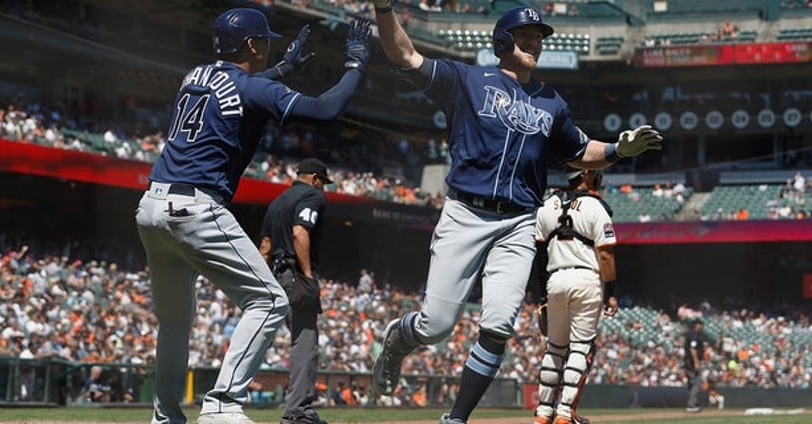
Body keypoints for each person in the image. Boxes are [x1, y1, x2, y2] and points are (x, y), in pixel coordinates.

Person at [368, 3, 663, 423]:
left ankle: (455, 419)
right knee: (436, 325)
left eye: (540, 37)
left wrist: (619, 150)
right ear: (502, 40)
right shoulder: (467, 80)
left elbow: (580, 151)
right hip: (466, 213)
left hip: (519, 221)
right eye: (526, 35)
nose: (535, 43)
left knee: (499, 326)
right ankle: (399, 338)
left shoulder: (551, 102)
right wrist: (383, 8)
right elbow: (405, 55)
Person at [134, 7, 372, 424]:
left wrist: (281, 67)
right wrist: (354, 65)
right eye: (265, 40)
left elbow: (241, 87)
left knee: (173, 322)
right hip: (195, 207)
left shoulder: (195, 76)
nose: (267, 45)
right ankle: (222, 404)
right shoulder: (249, 87)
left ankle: (165, 417)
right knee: (268, 300)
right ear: (250, 44)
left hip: (152, 206)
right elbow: (323, 110)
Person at [532, 168, 618, 424]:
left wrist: (540, 296)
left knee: (555, 349)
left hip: (554, 279)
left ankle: (544, 412)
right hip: (586, 279)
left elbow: (538, 257)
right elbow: (605, 255)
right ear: (586, 174)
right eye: (596, 172)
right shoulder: (596, 207)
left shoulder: (547, 205)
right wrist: (611, 294)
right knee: (580, 347)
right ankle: (565, 413)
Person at [258, 158, 332, 424]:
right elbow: (301, 232)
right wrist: (308, 275)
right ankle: (298, 411)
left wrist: (261, 281)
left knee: (270, 337)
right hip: (295, 275)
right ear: (314, 178)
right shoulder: (313, 195)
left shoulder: (278, 201)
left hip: (274, 276)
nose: (324, 188)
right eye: (323, 182)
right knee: (305, 342)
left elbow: (265, 246)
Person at [684, 318, 705, 413]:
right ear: (696, 325)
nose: (702, 326)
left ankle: (693, 403)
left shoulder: (694, 334)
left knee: (692, 383)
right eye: (701, 324)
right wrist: (696, 362)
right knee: (697, 381)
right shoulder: (694, 334)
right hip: (691, 362)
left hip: (689, 361)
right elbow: (693, 349)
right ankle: (691, 404)